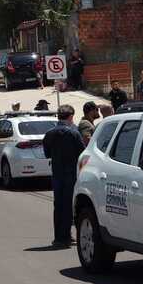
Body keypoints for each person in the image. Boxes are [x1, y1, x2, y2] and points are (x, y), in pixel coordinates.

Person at [42, 105, 86, 248]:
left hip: (57, 173)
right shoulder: (73, 133)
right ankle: (66, 237)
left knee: (58, 205)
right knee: (68, 205)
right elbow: (83, 153)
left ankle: (58, 237)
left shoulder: (49, 133)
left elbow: (47, 154)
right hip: (71, 174)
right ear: (70, 116)